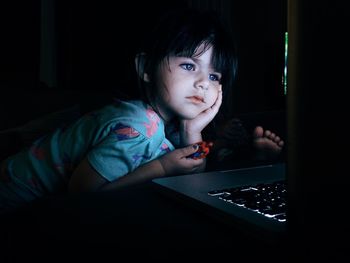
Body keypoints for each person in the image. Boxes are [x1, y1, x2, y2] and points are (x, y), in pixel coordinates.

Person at [0, 8, 283, 213]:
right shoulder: (137, 126)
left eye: (214, 76)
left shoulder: (168, 120)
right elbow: (82, 193)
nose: (203, 84)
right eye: (189, 66)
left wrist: (194, 131)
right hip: (14, 195)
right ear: (146, 69)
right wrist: (160, 167)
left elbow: (195, 169)